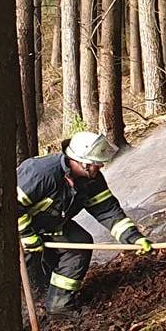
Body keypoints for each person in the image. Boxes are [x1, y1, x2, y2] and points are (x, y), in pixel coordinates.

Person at [16, 132, 155, 313]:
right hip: (16, 230)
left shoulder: (92, 180)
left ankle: (59, 306)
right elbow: (10, 206)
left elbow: (107, 210)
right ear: (82, 161)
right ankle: (24, 313)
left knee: (79, 244)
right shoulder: (41, 173)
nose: (100, 166)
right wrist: (27, 236)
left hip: (50, 226)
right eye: (96, 163)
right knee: (26, 270)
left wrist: (133, 238)